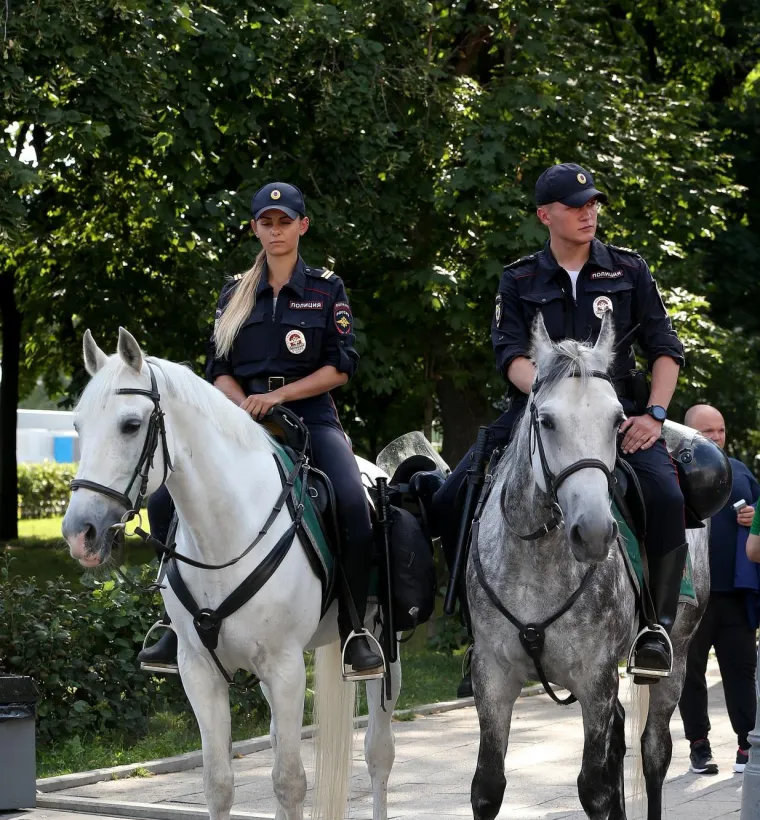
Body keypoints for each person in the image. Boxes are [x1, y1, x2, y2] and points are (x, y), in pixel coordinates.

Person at [433, 162, 686, 696]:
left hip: (614, 416)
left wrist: (656, 416)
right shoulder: (520, 278)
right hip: (537, 411)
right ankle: (477, 631)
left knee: (664, 494)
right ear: (545, 215)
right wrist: (543, 399)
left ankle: (654, 630)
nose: (588, 213)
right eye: (575, 207)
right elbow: (508, 353)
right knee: (453, 495)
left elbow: (666, 350)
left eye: (592, 204)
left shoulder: (628, 270)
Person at [138, 181, 384, 678]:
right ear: (255, 229)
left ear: (302, 226)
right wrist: (240, 404)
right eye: (267, 223)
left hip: (310, 418)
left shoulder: (325, 289)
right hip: (239, 420)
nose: (276, 231)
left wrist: (278, 396)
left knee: (352, 505)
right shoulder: (235, 292)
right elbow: (218, 366)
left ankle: (356, 629)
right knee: (164, 498)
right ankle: (172, 622)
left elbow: (341, 367)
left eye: (285, 222)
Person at [679, 404, 760, 774]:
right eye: (707, 432)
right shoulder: (671, 470)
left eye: (721, 431)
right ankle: (699, 745)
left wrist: (754, 515)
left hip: (733, 594)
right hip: (690, 596)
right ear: (688, 433)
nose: (716, 438)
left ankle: (747, 745)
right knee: (690, 673)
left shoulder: (741, 472)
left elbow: (758, 515)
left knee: (741, 671)